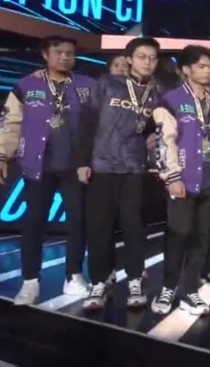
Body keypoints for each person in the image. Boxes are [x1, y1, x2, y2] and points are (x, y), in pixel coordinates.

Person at [0, 36, 96, 305]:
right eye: (58, 52)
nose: (65, 57)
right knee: (33, 223)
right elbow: (10, 123)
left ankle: (74, 276)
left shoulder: (89, 85)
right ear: (45, 55)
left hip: (76, 166)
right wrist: (0, 157)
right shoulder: (26, 85)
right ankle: (30, 282)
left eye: (70, 53)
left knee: (78, 222)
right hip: (37, 165)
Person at [78, 37, 162, 310]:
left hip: (134, 168)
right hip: (102, 165)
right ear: (129, 59)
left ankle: (135, 279)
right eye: (142, 56)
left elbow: (154, 130)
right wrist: (82, 161)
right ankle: (99, 281)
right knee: (99, 227)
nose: (147, 62)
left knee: (134, 226)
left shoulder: (157, 93)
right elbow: (87, 122)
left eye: (152, 57)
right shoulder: (107, 84)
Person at [148, 45, 210, 316]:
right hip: (182, 178)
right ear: (186, 70)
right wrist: (172, 176)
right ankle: (168, 287)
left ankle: (190, 290)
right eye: (201, 66)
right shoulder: (171, 101)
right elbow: (164, 142)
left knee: (202, 238)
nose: (207, 70)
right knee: (178, 234)